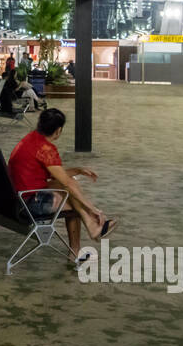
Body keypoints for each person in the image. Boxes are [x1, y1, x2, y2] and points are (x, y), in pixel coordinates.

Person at [8, 107, 116, 259]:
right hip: (29, 204)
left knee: (69, 188)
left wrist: (77, 170)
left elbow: (56, 175)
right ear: (58, 130)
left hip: (16, 198)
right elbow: (65, 182)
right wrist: (93, 209)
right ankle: (82, 240)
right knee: (71, 197)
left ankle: (91, 229)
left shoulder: (31, 139)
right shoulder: (46, 149)